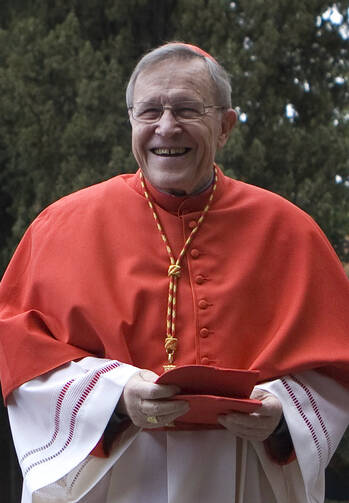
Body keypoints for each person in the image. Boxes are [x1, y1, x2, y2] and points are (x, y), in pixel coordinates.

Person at [0, 42, 349, 503]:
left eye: (187, 109)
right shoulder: (62, 226)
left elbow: (334, 366)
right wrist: (116, 398)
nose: (166, 127)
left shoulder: (290, 231)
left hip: (242, 472)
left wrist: (283, 415)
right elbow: (17, 349)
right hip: (115, 480)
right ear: (131, 121)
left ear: (225, 125)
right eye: (149, 111)